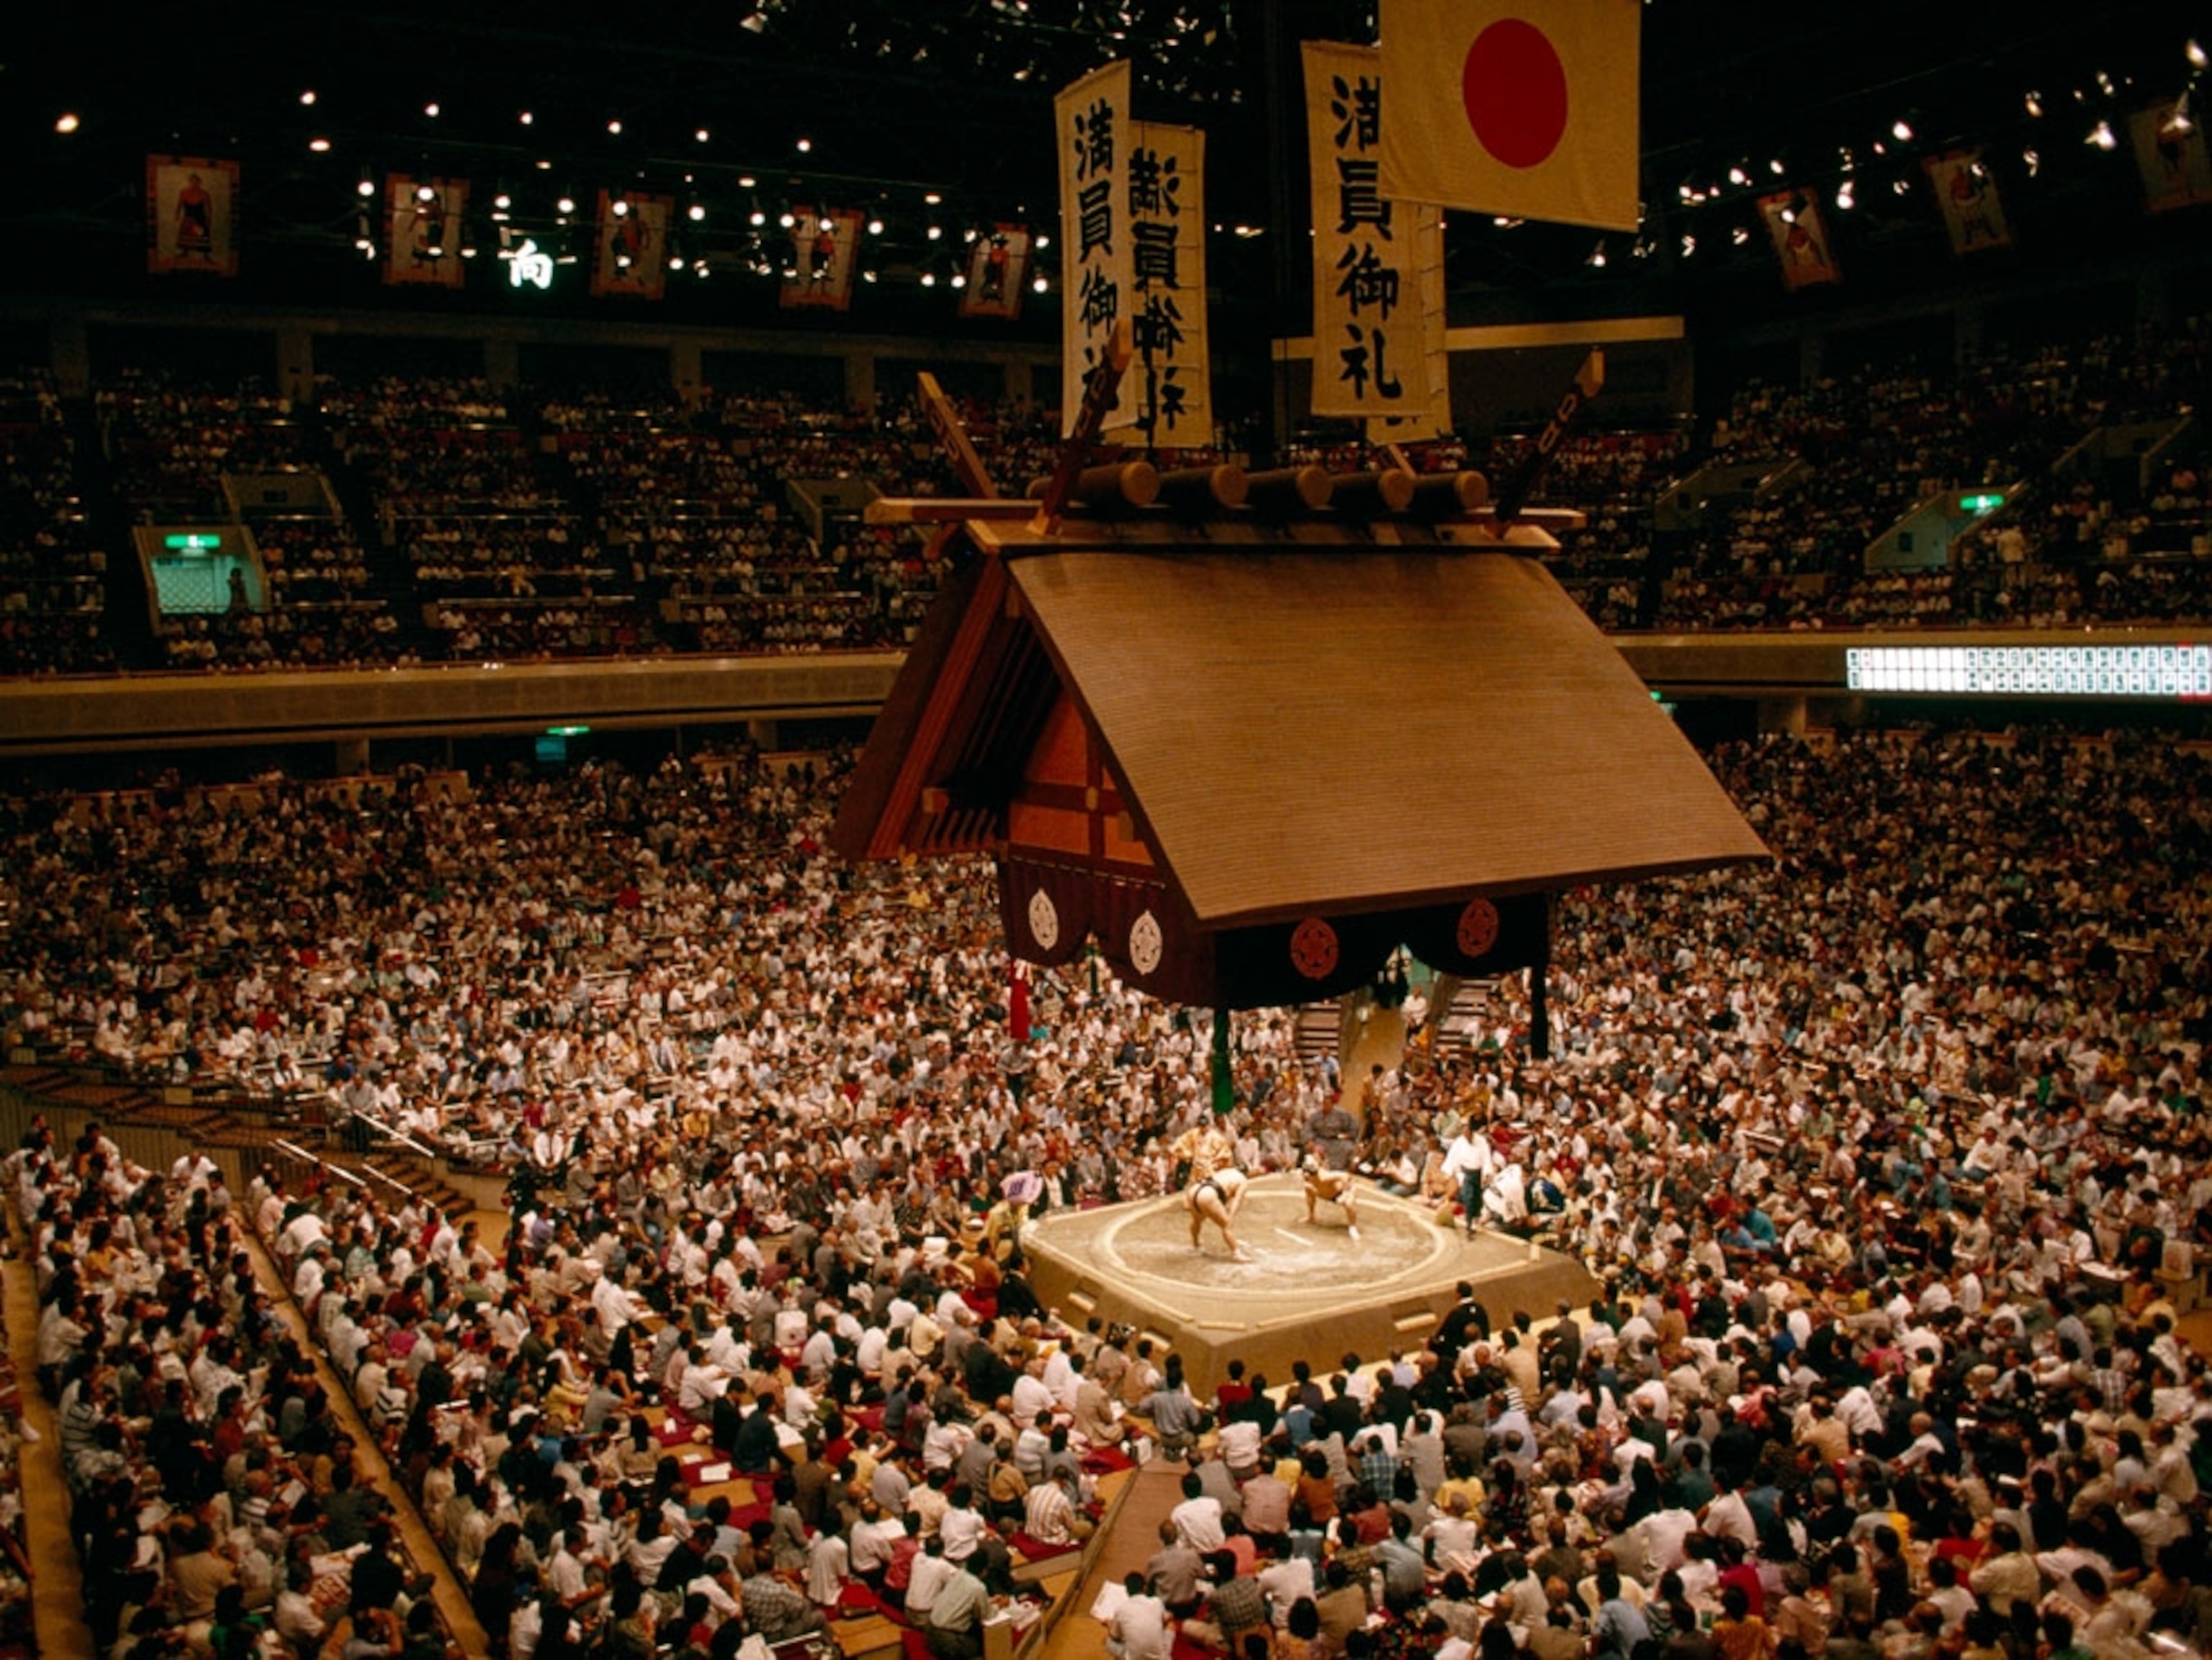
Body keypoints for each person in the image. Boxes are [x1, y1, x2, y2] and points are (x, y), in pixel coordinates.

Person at [1187, 1165, 1250, 1259]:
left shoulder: (1226, 1171)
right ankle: (1237, 1253)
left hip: (1194, 1190)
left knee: (1197, 1220)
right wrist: (1230, 1217)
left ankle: (1196, 1246)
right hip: (1208, 1195)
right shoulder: (1243, 1180)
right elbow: (1237, 1201)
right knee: (1226, 1226)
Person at [1300, 1155, 1361, 1242]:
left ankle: (1353, 1227)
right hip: (1326, 1193)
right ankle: (1311, 1217)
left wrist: (1345, 1193)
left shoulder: (1324, 1177)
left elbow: (1345, 1176)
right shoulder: (1307, 1177)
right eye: (1304, 1172)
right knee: (1308, 1188)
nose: (1306, 1176)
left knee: (1348, 1203)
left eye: (1309, 1173)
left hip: (1341, 1191)